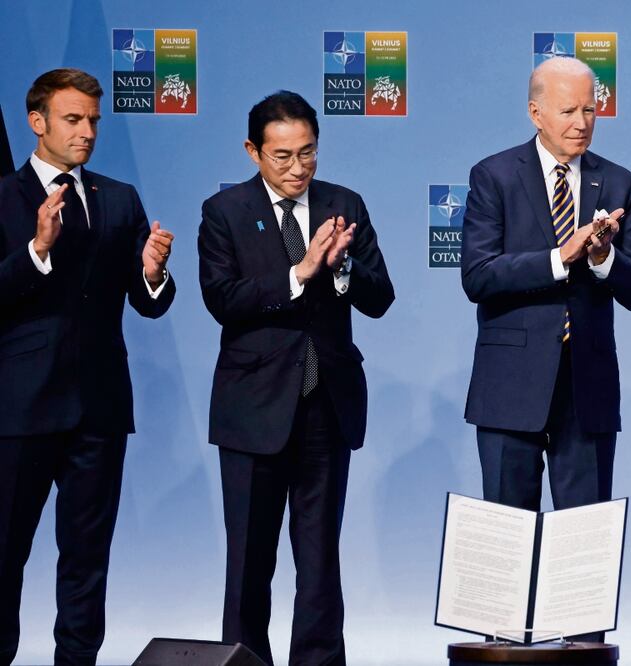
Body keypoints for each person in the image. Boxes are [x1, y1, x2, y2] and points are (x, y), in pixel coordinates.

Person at [198, 90, 393, 666]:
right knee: (249, 562)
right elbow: (223, 299)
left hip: (325, 407)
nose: (297, 168)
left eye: (308, 153)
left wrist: (342, 269)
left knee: (319, 559)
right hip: (253, 410)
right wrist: (300, 271)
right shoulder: (225, 211)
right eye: (282, 156)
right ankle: (245, 661)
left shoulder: (344, 203)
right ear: (252, 151)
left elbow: (381, 298)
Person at [0, 68, 175, 665]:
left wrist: (152, 273)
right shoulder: (3, 197)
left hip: (99, 408)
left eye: (94, 120)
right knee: (3, 556)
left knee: (86, 558)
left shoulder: (118, 197)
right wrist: (36, 250)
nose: (86, 132)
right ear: (37, 121)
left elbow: (147, 303)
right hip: (19, 409)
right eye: (73, 119)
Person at [462, 56, 631, 516]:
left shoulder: (619, 183)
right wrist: (560, 257)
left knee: (583, 544)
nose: (582, 123)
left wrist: (603, 258)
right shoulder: (494, 176)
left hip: (587, 388)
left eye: (590, 110)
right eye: (569, 111)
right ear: (536, 113)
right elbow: (479, 275)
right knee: (509, 539)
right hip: (510, 386)